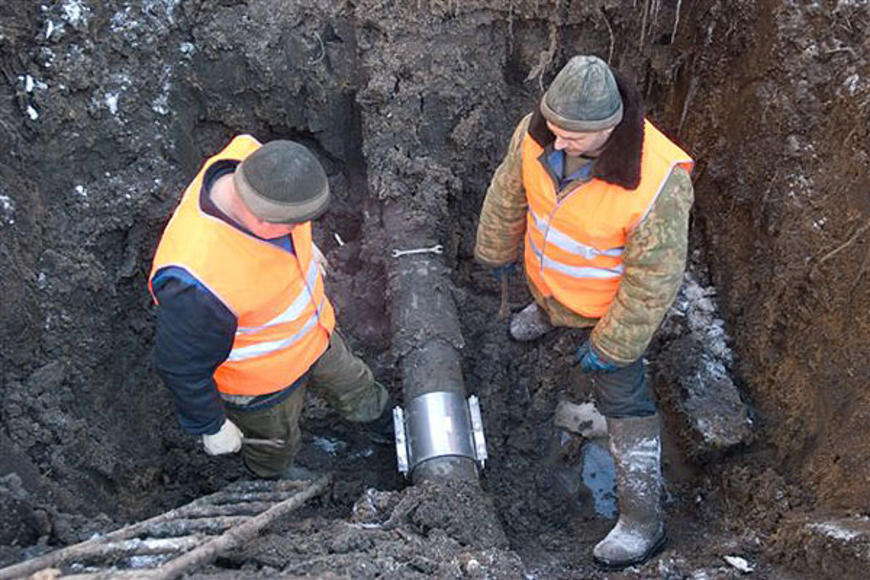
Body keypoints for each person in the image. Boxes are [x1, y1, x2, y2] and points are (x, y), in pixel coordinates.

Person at [474, 55, 694, 569]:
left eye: (573, 136)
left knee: (624, 400)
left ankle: (643, 523)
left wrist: (613, 345)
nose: (559, 142)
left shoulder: (656, 182)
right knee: (546, 307)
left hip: (606, 311)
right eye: (553, 128)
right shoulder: (537, 135)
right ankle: (548, 313)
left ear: (610, 128)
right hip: (552, 285)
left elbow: (652, 284)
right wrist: (495, 251)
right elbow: (509, 193)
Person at [149, 135, 391, 480]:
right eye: (294, 226)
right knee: (276, 442)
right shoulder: (196, 283)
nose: (301, 230)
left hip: (315, 334)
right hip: (263, 385)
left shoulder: (252, 159)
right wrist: (210, 424)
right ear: (264, 222)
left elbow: (284, 223)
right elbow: (180, 366)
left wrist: (302, 250)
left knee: (356, 385)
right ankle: (272, 477)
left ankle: (384, 425)